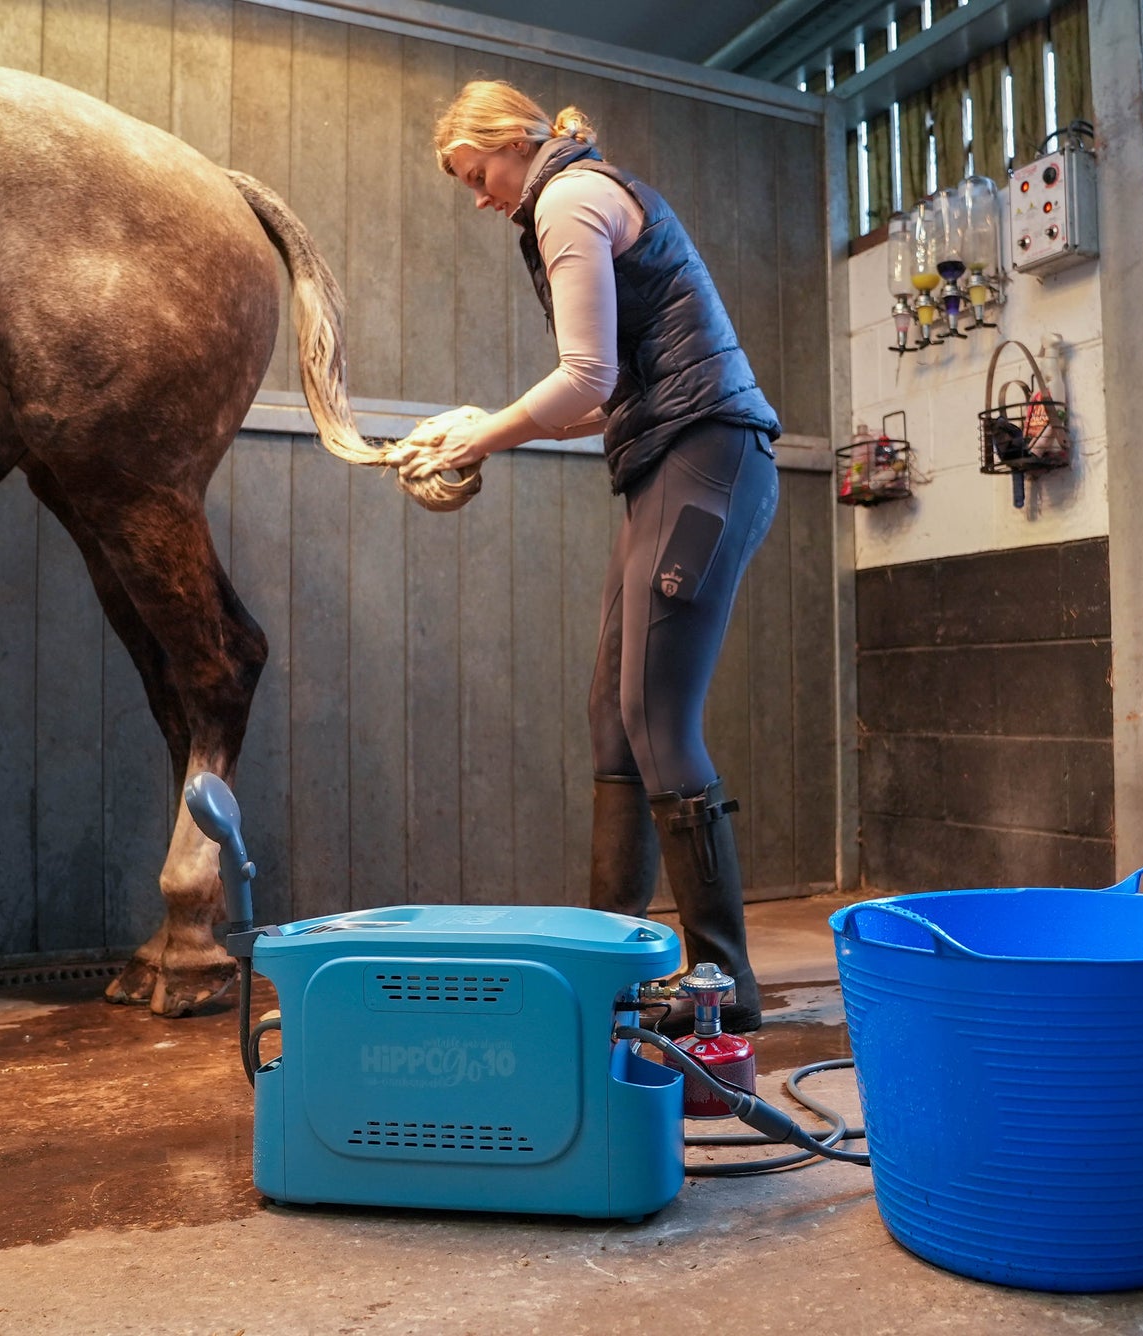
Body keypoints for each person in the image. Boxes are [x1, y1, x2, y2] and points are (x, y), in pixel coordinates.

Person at [392, 80, 779, 1033]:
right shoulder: (574, 195)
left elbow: (584, 377)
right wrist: (482, 428)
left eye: (476, 177)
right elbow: (611, 400)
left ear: (508, 146)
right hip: (670, 462)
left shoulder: (567, 199)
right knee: (613, 720)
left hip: (709, 465)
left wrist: (480, 439)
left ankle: (725, 990)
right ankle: (612, 962)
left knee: (656, 717)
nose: (480, 200)